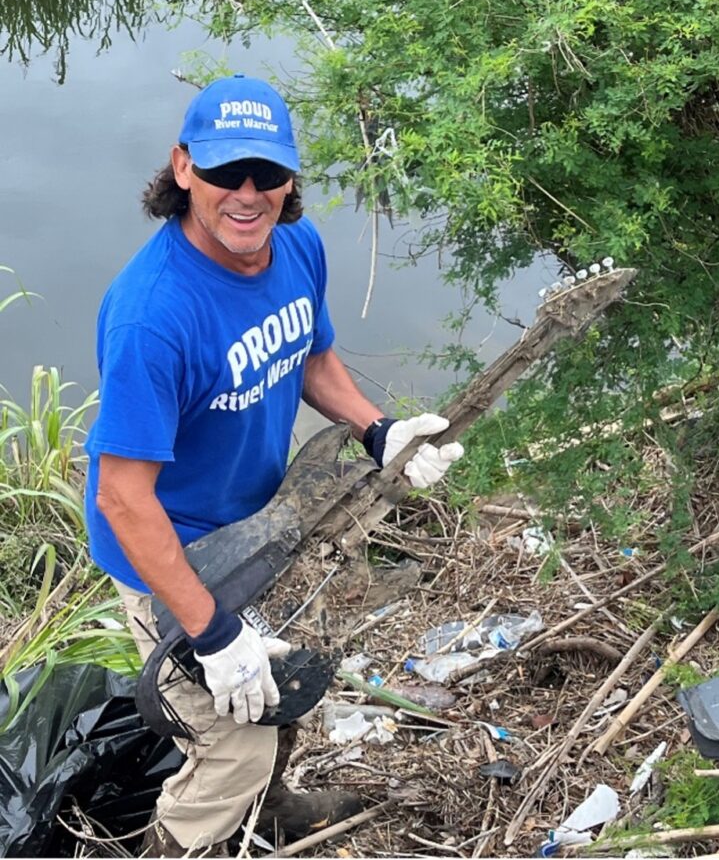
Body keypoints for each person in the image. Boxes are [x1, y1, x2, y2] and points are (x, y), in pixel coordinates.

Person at [83, 73, 464, 858]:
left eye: (266, 173)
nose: (247, 194)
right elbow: (123, 498)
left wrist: (378, 431)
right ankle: (177, 845)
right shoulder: (154, 316)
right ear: (183, 167)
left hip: (257, 523)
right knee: (233, 743)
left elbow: (311, 356)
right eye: (225, 172)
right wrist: (212, 631)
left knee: (284, 682)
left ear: (290, 174)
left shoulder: (296, 245)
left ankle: (274, 808)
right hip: (170, 546)